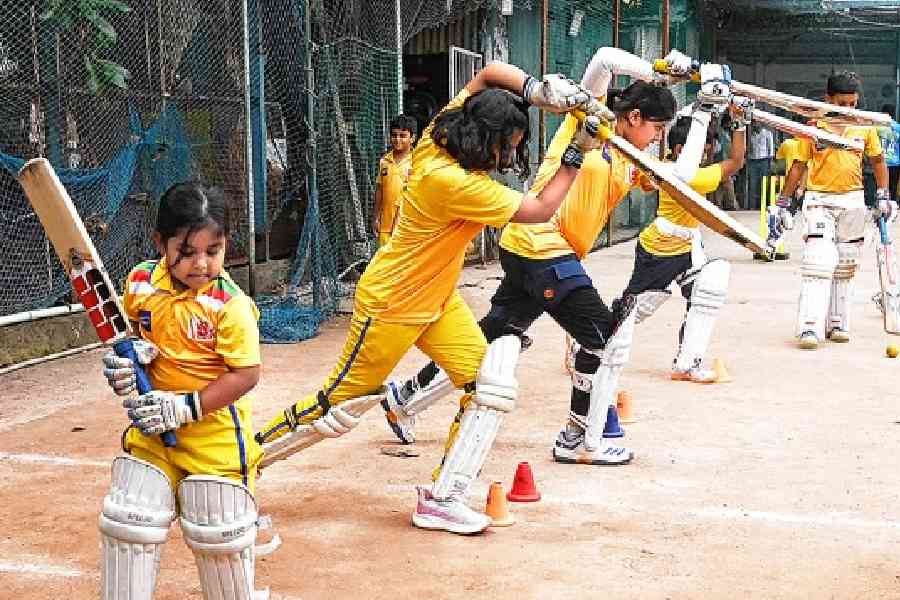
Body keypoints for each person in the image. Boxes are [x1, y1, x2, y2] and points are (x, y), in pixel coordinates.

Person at [255, 62, 600, 535]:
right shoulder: (455, 183)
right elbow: (540, 210)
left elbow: (486, 75)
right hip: (392, 303)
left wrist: (537, 91)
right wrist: (578, 152)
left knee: (489, 387)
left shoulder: (440, 136)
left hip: (437, 300)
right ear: (485, 139)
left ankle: (444, 497)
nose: (508, 157)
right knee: (337, 408)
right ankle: (235, 467)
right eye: (508, 146)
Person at [379, 49, 723, 463]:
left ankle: (405, 399)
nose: (659, 137)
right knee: (605, 339)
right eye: (657, 127)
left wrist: (703, 111)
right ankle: (582, 439)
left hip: (533, 252)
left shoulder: (632, 161)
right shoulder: (589, 120)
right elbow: (602, 61)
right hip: (543, 249)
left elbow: (683, 177)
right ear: (633, 118)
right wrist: (657, 70)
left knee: (492, 339)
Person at [98, 183, 269, 598]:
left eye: (214, 251)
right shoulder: (140, 282)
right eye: (187, 251)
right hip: (153, 432)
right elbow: (132, 336)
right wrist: (127, 365)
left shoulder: (230, 304)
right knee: (129, 519)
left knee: (218, 535)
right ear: (161, 242)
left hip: (215, 440)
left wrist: (185, 408)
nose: (201, 264)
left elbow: (245, 374)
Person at [618, 104, 747, 383]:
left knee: (708, 290)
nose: (707, 154)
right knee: (635, 309)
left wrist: (739, 120)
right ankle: (587, 340)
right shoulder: (681, 174)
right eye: (702, 148)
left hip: (688, 246)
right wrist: (739, 123)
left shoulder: (667, 169)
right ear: (679, 150)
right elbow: (735, 163)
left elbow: (734, 162)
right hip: (661, 248)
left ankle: (687, 363)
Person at [770, 72, 894, 349]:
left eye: (852, 104)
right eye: (842, 103)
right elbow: (799, 166)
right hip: (819, 199)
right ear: (828, 99)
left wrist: (884, 196)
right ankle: (809, 328)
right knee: (818, 263)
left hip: (853, 200)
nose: (848, 110)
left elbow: (877, 161)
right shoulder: (814, 127)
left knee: (846, 265)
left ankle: (837, 323)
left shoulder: (864, 126)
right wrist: (783, 202)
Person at [373, 114, 417, 247]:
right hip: (385, 227)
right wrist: (375, 217)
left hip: (407, 228)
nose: (397, 139)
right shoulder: (384, 161)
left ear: (412, 138)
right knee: (386, 265)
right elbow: (380, 190)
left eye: (403, 136)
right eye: (394, 135)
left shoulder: (417, 161)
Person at [711, 113, 740, 210]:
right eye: (729, 123)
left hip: (725, 163)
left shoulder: (726, 134)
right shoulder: (721, 134)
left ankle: (719, 206)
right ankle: (733, 206)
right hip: (723, 163)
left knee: (721, 187)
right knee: (727, 186)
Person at [747, 123, 774, 209]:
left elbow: (771, 149)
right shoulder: (751, 134)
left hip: (764, 160)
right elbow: (749, 148)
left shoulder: (767, 133)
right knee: (753, 184)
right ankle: (752, 206)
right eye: (754, 123)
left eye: (757, 122)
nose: (755, 125)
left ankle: (764, 205)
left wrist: (770, 163)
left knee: (764, 183)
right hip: (753, 161)